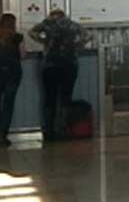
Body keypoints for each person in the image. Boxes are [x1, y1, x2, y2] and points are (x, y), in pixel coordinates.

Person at [29, 9, 91, 142]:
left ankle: (48, 130)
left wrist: (44, 41)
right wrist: (76, 44)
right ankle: (63, 129)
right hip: (69, 65)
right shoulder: (72, 24)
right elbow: (87, 35)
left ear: (52, 15)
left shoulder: (47, 24)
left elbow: (31, 33)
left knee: (49, 98)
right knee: (65, 98)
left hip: (50, 65)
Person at [0, 14, 26, 146]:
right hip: (13, 74)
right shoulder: (18, 37)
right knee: (8, 106)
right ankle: (3, 136)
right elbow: (23, 55)